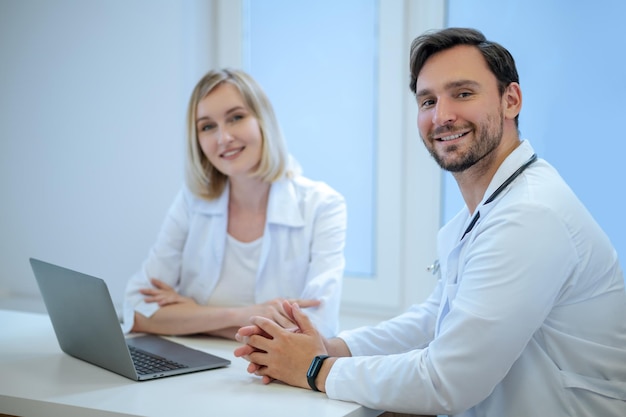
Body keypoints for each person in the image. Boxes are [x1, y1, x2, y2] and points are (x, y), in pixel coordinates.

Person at [233, 28, 626, 416]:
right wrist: (332, 347)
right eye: (428, 101)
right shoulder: (482, 214)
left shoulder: (530, 215)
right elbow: (433, 321)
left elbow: (447, 380)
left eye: (463, 94)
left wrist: (315, 368)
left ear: (511, 100)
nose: (442, 116)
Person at [122, 68, 347, 340]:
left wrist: (192, 314)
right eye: (207, 126)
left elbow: (317, 331)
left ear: (263, 120)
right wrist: (241, 315)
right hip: (199, 365)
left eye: (236, 118)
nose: (223, 138)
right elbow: (135, 308)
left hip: (277, 377)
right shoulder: (192, 200)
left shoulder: (323, 205)